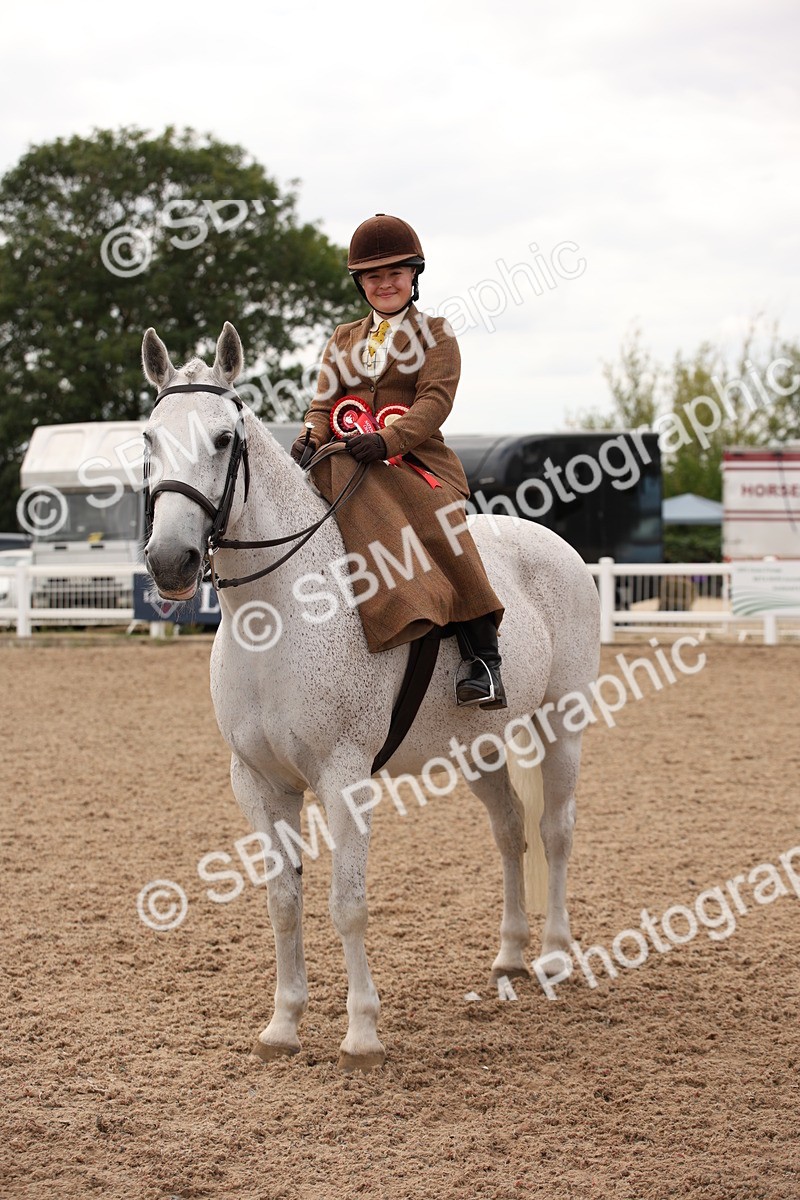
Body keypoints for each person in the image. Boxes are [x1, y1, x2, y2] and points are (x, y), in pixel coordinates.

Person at [291, 213, 506, 709]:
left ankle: (484, 659)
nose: (384, 283)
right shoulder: (342, 338)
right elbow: (323, 403)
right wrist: (310, 436)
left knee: (437, 525)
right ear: (360, 282)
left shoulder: (436, 333)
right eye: (373, 276)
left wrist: (388, 440)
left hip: (415, 463)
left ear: (414, 275)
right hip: (348, 457)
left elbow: (435, 401)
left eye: (394, 273)